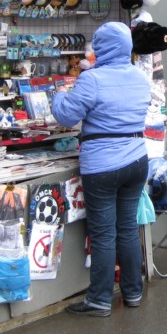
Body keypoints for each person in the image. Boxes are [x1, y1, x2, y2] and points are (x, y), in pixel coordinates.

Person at [52, 22, 150, 316]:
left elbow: (67, 116)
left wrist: (58, 94)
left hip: (103, 166)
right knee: (128, 229)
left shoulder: (91, 79)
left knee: (104, 233)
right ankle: (133, 293)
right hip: (136, 159)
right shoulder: (140, 76)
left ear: (103, 47)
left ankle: (99, 300)